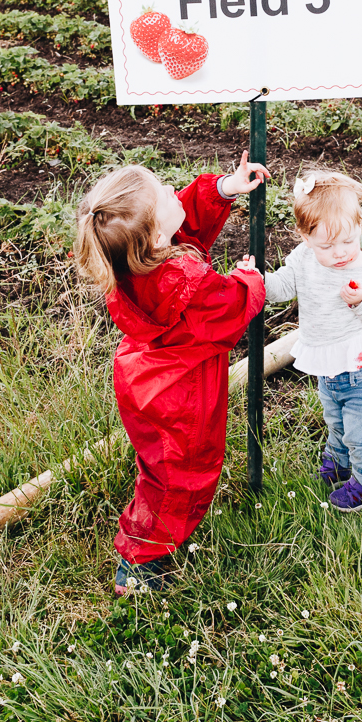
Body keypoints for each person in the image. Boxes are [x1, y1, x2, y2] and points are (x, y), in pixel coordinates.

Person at [74, 152, 267, 594]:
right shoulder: (187, 283)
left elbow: (183, 225)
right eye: (164, 192)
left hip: (144, 377)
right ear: (158, 234)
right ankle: (141, 562)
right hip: (182, 394)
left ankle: (146, 543)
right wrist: (248, 280)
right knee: (183, 474)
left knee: (160, 465)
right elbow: (231, 309)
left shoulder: (135, 256)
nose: (171, 191)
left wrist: (222, 189)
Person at [260, 171, 362, 513]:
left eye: (348, 241)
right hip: (330, 369)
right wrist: (255, 280)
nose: (339, 253)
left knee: (359, 434)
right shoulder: (303, 261)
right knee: (336, 423)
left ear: (359, 228)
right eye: (326, 245)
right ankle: (337, 464)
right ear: (305, 236)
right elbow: (279, 289)